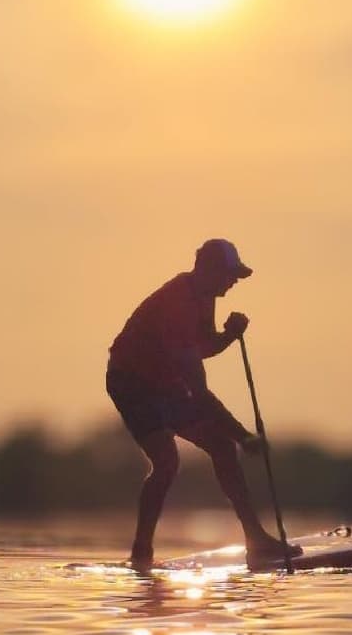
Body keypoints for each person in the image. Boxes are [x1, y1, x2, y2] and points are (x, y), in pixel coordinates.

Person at [107, 239, 302, 571]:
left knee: (221, 447)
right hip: (132, 384)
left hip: (164, 382)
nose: (234, 282)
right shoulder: (177, 304)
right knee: (167, 462)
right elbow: (198, 391)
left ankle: (256, 541)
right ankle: (141, 554)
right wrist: (245, 436)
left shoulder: (203, 297)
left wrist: (228, 334)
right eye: (230, 275)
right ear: (208, 270)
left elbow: (201, 348)